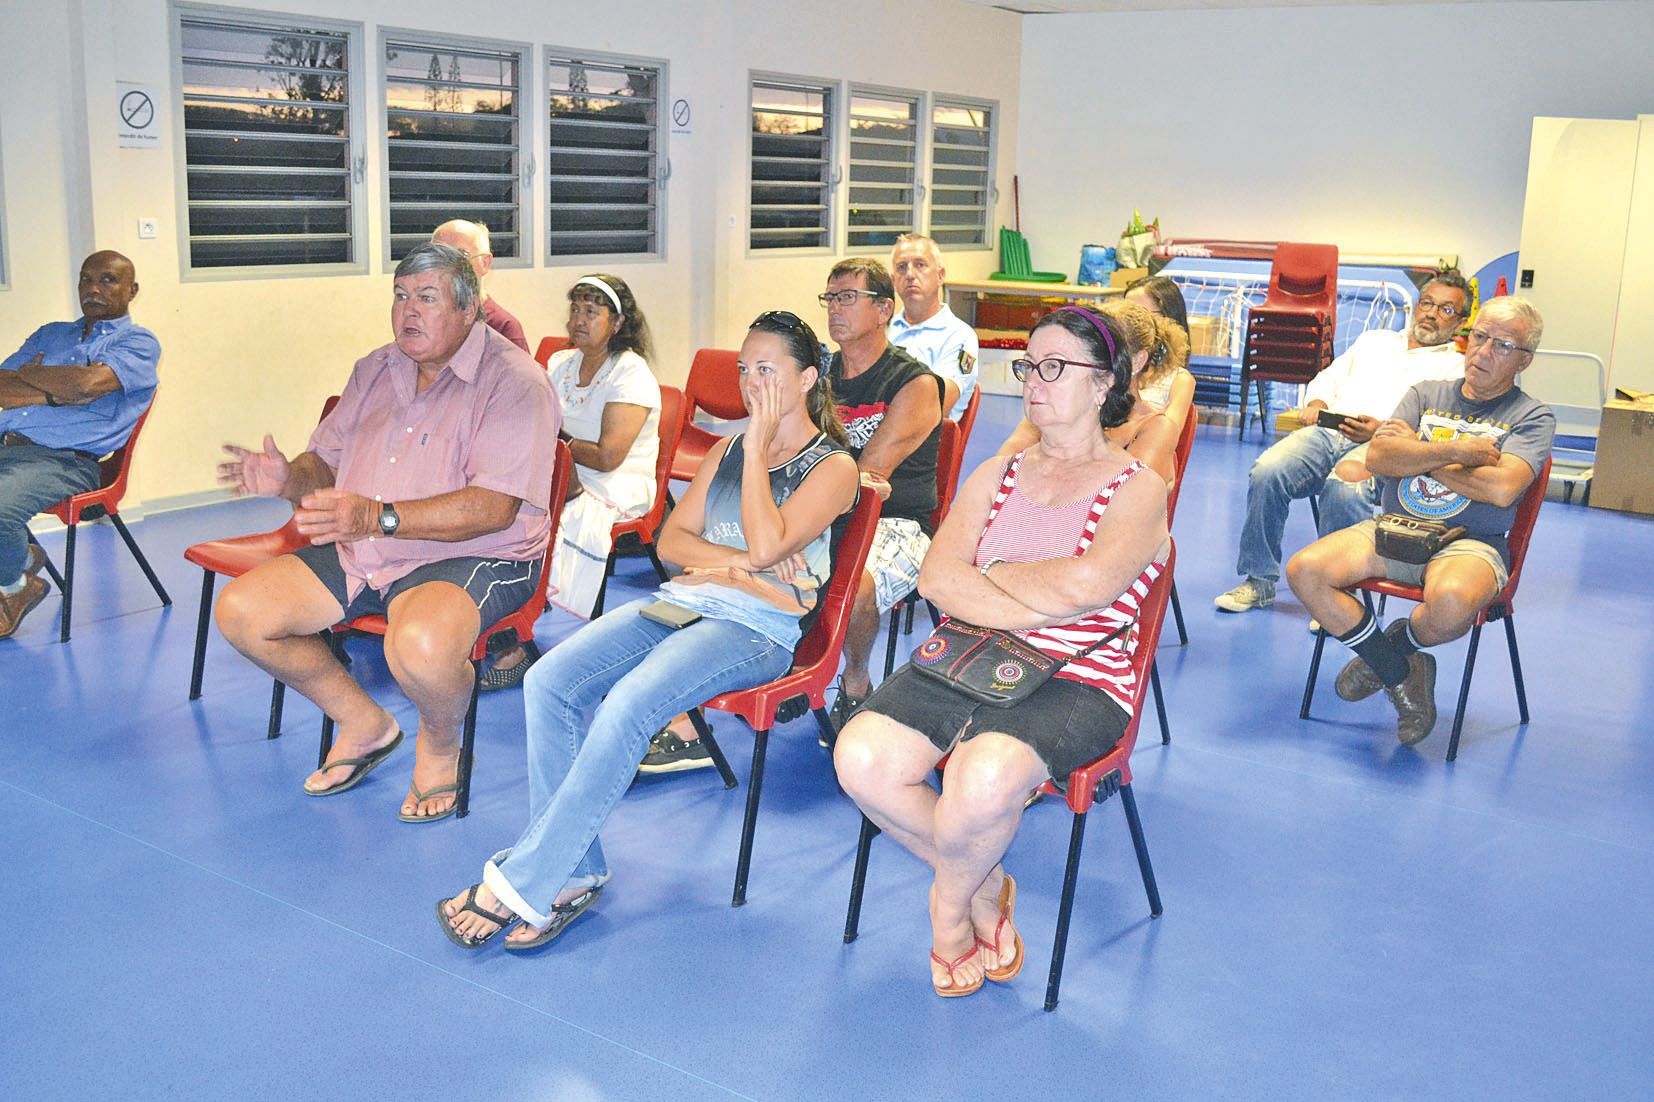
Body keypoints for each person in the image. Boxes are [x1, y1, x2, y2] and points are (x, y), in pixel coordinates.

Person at [435, 311, 859, 950]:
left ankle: (525, 881)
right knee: (549, 682)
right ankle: (572, 870)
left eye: (766, 371)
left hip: (758, 628)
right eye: (744, 369)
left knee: (629, 705)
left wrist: (758, 455)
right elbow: (671, 542)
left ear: (806, 380)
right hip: (686, 599)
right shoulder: (725, 448)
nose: (750, 384)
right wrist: (739, 562)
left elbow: (770, 539)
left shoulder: (833, 467)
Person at [834, 305, 1169, 997]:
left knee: (981, 779)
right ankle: (985, 888)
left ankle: (950, 913)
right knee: (859, 758)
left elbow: (1091, 584)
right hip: (970, 654)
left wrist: (996, 580)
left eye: (1055, 367)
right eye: (1027, 367)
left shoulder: (1139, 488)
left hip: (1081, 677)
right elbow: (938, 579)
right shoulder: (997, 473)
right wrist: (1038, 595)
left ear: (1104, 382)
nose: (1033, 382)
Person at [213, 242, 560, 821]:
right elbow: (321, 465)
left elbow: (495, 508)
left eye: (427, 298)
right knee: (244, 612)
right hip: (368, 548)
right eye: (400, 296)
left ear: (469, 309)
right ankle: (364, 724)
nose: (408, 311)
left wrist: (375, 516)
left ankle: (441, 747)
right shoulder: (375, 369)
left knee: (420, 648)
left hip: (477, 552)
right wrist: (288, 479)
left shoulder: (516, 381)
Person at [1286, 297, 1553, 746]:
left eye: (1502, 345)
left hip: (1471, 541)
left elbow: (1503, 489)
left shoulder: (1531, 416)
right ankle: (1398, 671)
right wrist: (1459, 453)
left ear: (1524, 358)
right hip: (1392, 527)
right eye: (1480, 337)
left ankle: (1395, 648)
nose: (1483, 352)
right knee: (1305, 571)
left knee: (1451, 604)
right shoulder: (1426, 393)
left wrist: (1422, 457)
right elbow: (1380, 456)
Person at [1215, 270, 1472, 615]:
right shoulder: (1375, 340)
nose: (1431, 313)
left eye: (1446, 310)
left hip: (1382, 447)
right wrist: (1317, 404)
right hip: (1329, 431)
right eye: (1427, 303)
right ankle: (1258, 581)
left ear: (1461, 321)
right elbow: (1330, 377)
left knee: (1344, 488)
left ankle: (1338, 597)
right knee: (1268, 470)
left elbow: (1432, 432)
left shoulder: (1455, 369)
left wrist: (1382, 430)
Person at [482, 274, 661, 691]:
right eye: (575, 309)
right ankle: (506, 628)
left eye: (591, 312)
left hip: (614, 484)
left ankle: (515, 647)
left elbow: (608, 456)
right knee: (495, 513)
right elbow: (525, 417)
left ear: (616, 323)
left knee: (530, 528)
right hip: (561, 474)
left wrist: (553, 442)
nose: (578, 320)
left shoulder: (630, 373)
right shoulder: (561, 364)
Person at [0, 251, 160, 639]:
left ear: (132, 290)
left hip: (66, 462)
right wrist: (52, 392)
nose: (93, 288)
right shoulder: (51, 333)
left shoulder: (138, 343)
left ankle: (16, 586)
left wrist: (32, 374)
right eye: (86, 280)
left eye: (107, 280)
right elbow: (3, 384)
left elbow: (87, 385)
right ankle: (21, 556)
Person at [818, 257, 945, 731]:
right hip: (825, 508)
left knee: (857, 584)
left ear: (883, 309)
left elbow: (867, 476)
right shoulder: (819, 375)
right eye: (830, 298)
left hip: (897, 521)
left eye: (848, 297)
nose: (835, 309)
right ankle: (788, 667)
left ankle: (854, 683)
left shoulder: (913, 383)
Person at [994, 299, 1186, 489]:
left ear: (1137, 361)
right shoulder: (1059, 410)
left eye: (1105, 353)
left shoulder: (1153, 427)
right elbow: (1001, 470)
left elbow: (1125, 498)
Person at [887, 234, 980, 420]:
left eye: (920, 265)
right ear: (893, 281)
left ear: (940, 276)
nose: (910, 274)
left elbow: (936, 405)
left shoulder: (960, 337)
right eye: (901, 267)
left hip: (924, 440)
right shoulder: (882, 330)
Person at [432, 219, 529, 353]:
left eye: (460, 255)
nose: (447, 265)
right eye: (439, 256)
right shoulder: (425, 317)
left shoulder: (502, 328)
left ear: (485, 263)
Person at [1124, 275, 1197, 431]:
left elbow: (1169, 433)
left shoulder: (1179, 379)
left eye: (1140, 315)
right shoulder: (1110, 367)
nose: (1130, 324)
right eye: (1126, 315)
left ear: (1168, 318)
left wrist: (1133, 394)